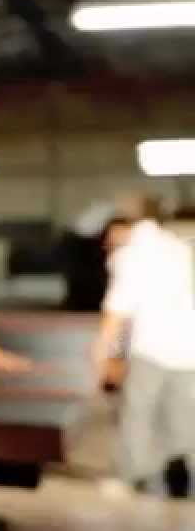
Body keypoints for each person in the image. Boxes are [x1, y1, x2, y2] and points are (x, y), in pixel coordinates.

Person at [91, 202, 195, 497]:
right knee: (185, 417)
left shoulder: (129, 255)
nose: (109, 247)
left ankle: (130, 477)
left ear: (121, 231)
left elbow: (118, 308)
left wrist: (101, 350)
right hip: (189, 348)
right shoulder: (178, 248)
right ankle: (183, 479)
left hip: (150, 348)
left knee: (137, 414)